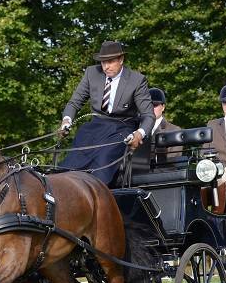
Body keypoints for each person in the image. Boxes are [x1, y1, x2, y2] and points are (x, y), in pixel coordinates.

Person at [60, 40, 155, 184]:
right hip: (96, 126)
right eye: (103, 62)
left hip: (122, 128)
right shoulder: (91, 73)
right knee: (73, 160)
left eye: (110, 61)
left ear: (121, 59)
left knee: (103, 160)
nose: (106, 67)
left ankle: (97, 189)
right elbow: (74, 102)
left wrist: (139, 133)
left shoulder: (137, 80)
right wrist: (66, 120)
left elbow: (148, 115)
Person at [149, 87, 182, 159]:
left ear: (163, 107)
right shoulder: (136, 128)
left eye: (155, 105)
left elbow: (173, 160)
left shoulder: (174, 131)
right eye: (148, 105)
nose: (151, 108)